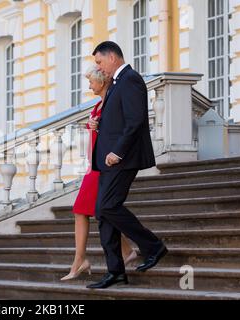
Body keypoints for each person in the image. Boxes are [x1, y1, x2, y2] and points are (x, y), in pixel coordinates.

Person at [86, 41, 168, 289]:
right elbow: (119, 119)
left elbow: (135, 121)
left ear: (112, 57)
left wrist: (117, 152)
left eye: (99, 62)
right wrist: (100, 126)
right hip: (108, 160)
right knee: (102, 212)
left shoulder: (130, 79)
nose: (99, 68)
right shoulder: (116, 83)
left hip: (122, 159)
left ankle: (153, 246)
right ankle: (116, 271)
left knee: (109, 206)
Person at [60, 65, 138, 281]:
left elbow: (118, 130)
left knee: (84, 210)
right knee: (100, 211)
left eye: (91, 81)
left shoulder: (112, 103)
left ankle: (80, 260)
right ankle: (126, 251)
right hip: (94, 165)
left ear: (101, 81)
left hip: (104, 166)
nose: (89, 85)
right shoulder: (98, 104)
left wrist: (98, 127)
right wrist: (93, 126)